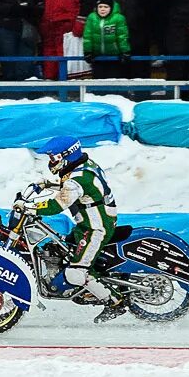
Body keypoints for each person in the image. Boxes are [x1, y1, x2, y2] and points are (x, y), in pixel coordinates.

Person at [27, 136, 127, 323]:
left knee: (75, 272)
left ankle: (115, 302)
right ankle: (90, 286)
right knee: (62, 249)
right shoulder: (85, 166)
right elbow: (76, 187)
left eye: (53, 157)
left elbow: (58, 204)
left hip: (96, 228)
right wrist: (48, 184)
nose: (51, 162)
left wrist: (30, 207)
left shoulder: (77, 179)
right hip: (90, 223)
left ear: (67, 155)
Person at [83, 0, 131, 78]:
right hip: (97, 56)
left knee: (114, 79)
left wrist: (125, 51)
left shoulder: (118, 18)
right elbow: (88, 36)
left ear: (111, 8)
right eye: (100, 7)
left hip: (114, 57)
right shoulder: (92, 17)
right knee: (98, 79)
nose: (102, 9)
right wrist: (87, 51)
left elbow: (122, 36)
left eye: (106, 7)